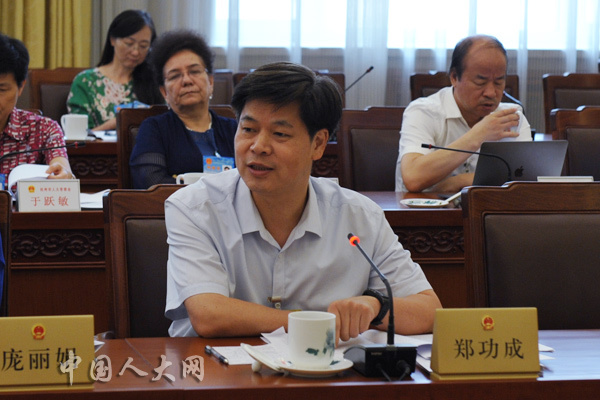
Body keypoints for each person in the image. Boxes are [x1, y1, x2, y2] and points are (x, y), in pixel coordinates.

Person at [165, 62, 441, 341]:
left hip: (327, 367)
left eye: (280, 134)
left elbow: (429, 309)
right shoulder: (194, 208)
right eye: (248, 129)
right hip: (214, 366)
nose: (258, 146)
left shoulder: (360, 216)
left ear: (318, 144)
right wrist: (317, 323)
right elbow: (209, 315)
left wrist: (376, 306)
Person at [396, 35, 532, 193]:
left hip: (488, 208)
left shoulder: (512, 118)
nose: (490, 92)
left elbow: (525, 179)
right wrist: (478, 135)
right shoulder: (423, 111)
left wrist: (459, 182)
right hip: (423, 207)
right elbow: (413, 177)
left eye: (498, 82)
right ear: (454, 77)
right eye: (480, 82)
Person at [129, 30, 236, 189]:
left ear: (211, 82)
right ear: (164, 92)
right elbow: (151, 182)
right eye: (175, 76)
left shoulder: (234, 129)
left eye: (194, 71)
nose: (186, 80)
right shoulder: (154, 129)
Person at [67, 9, 163, 131]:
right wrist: (119, 121)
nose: (135, 52)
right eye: (129, 43)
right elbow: (79, 136)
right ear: (112, 39)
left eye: (143, 46)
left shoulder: (153, 82)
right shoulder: (86, 81)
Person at [0, 33, 75, 188]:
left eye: (1, 90)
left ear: (21, 87)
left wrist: (64, 175)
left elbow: (62, 168)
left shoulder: (44, 129)